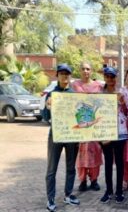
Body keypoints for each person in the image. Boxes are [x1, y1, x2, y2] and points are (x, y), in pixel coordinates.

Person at [45, 64, 80, 212]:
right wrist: (47, 108)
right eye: (62, 74)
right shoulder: (51, 95)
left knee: (71, 167)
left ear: (70, 76)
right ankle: (50, 198)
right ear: (57, 76)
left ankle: (68, 194)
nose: (65, 76)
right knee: (52, 169)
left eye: (67, 74)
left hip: (71, 136)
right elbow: (46, 118)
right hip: (56, 135)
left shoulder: (74, 94)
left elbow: (79, 117)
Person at [72, 62, 103, 192]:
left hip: (94, 126)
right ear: (80, 70)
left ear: (92, 71)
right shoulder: (74, 85)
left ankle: (94, 180)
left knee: (95, 152)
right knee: (81, 153)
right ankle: (83, 180)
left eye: (88, 69)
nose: (85, 71)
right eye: (83, 69)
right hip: (79, 124)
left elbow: (104, 104)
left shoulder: (98, 86)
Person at [99, 67, 127, 204]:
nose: (110, 79)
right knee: (108, 162)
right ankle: (109, 190)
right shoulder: (99, 94)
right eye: (108, 77)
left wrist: (122, 103)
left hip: (120, 132)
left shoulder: (122, 93)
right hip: (105, 132)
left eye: (112, 76)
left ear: (116, 77)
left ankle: (119, 191)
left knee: (120, 163)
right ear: (104, 78)